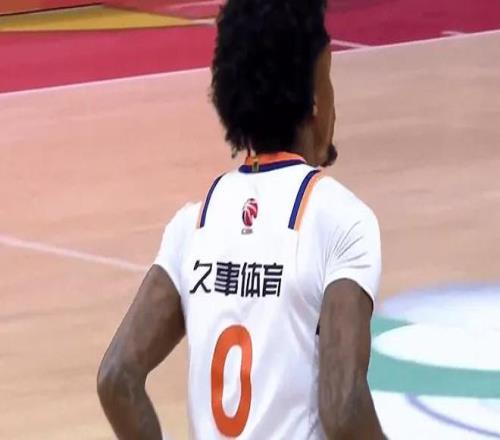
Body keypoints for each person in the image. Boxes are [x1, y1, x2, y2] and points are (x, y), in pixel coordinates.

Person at [97, 0, 385, 438]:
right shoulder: (340, 221)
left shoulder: (194, 224)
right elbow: (343, 408)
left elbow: (117, 377)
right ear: (313, 96)